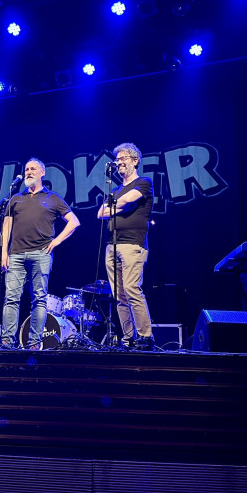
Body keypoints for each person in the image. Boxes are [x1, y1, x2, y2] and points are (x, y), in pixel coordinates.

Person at [0, 158, 80, 350]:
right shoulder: (16, 198)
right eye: (26, 169)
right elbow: (6, 227)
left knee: (39, 299)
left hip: (41, 254)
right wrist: (4, 252)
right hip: (16, 254)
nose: (28, 171)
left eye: (33, 169)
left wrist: (57, 241)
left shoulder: (52, 198)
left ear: (42, 172)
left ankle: (35, 342)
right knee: (11, 298)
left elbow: (74, 221)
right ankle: (6, 342)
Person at [97, 143, 154, 350]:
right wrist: (118, 204)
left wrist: (115, 205)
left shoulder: (143, 182)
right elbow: (100, 213)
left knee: (131, 289)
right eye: (117, 159)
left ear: (135, 160)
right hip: (112, 245)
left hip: (132, 244)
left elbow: (129, 200)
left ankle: (145, 337)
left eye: (123, 159)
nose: (119, 162)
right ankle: (128, 337)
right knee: (119, 295)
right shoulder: (116, 189)